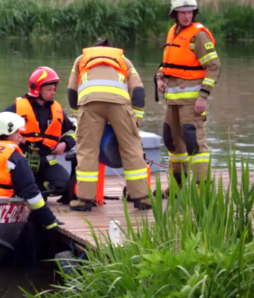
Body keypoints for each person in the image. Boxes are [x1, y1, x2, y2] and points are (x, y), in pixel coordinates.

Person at [67, 39, 151, 211]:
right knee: (131, 149)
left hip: (89, 103)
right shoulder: (123, 60)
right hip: (119, 104)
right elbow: (138, 92)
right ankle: (141, 198)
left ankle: (84, 200)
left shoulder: (81, 59)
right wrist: (136, 121)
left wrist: (80, 116)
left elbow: (71, 92)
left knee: (87, 150)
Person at [155, 0, 220, 197]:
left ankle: (203, 191)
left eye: (190, 12)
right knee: (171, 141)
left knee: (194, 142)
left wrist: (203, 96)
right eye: (182, 12)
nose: (186, 16)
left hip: (193, 102)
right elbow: (167, 63)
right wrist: (159, 77)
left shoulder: (199, 36)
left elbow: (214, 67)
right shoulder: (173, 32)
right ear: (174, 14)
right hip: (172, 100)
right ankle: (178, 187)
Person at [0, 111, 64, 229]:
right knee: (31, 226)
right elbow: (31, 193)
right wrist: (50, 221)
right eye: (17, 132)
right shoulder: (14, 156)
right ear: (9, 133)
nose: (19, 137)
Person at [2, 66, 77, 203]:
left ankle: (38, 188)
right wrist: (13, 136)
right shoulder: (18, 107)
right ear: (37, 89)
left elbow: (72, 132)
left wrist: (65, 144)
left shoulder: (57, 110)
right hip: (24, 161)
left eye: (54, 89)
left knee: (63, 184)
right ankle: (32, 190)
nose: (53, 93)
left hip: (47, 161)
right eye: (49, 89)